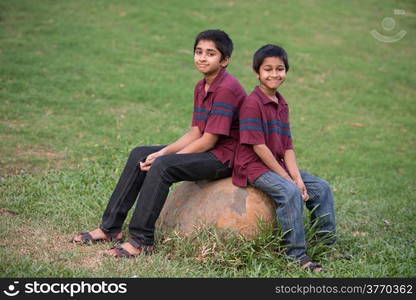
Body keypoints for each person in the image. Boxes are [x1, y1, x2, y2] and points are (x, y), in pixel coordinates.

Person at [72, 29, 246, 258]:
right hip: (207, 148)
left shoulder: (227, 88)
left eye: (210, 54)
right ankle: (110, 228)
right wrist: (162, 151)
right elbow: (195, 132)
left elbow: (208, 140)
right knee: (140, 154)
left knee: (163, 166)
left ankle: (141, 240)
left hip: (224, 158)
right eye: (198, 52)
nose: (202, 58)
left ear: (224, 60)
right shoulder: (201, 85)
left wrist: (164, 158)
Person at [232, 44, 336, 272]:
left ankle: (326, 246)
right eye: (267, 69)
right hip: (253, 166)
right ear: (257, 72)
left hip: (276, 164)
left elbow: (287, 146)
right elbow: (259, 147)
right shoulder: (252, 103)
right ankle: (296, 256)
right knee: (289, 193)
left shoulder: (281, 103)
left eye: (280, 69)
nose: (274, 74)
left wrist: (297, 178)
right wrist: (289, 181)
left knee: (321, 188)